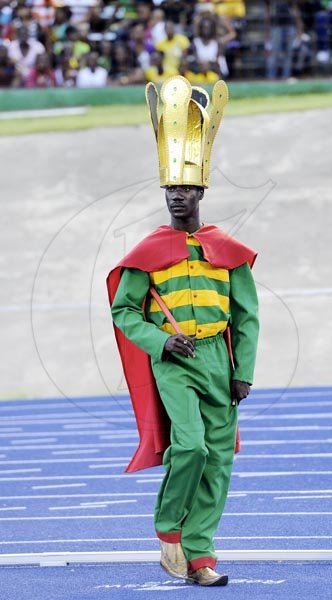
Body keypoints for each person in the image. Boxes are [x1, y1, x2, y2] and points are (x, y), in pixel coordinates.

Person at [107, 75, 259, 586]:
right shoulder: (146, 253)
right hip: (173, 361)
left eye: (186, 188)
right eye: (171, 187)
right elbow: (124, 312)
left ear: (201, 190)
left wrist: (245, 372)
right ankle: (169, 528)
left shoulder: (227, 250)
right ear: (165, 190)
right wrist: (160, 341)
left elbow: (247, 316)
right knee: (189, 447)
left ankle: (201, 556)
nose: (178, 195)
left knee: (218, 462)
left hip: (219, 361)